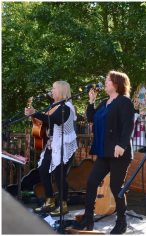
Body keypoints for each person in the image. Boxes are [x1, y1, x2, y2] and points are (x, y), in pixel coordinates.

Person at [73, 71, 134, 234]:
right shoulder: (104, 102)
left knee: (116, 187)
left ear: (117, 83)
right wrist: (91, 101)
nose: (105, 83)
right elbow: (92, 118)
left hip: (119, 152)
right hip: (104, 152)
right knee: (91, 182)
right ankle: (88, 219)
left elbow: (128, 125)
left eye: (108, 80)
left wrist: (122, 145)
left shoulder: (124, 102)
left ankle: (121, 222)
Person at [24, 81, 78, 216]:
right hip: (52, 144)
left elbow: (55, 120)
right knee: (43, 170)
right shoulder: (54, 105)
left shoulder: (67, 107)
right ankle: (50, 201)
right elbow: (47, 122)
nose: (51, 90)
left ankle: (63, 205)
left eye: (54, 88)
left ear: (61, 90)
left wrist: (35, 113)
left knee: (60, 176)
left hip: (63, 145)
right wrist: (34, 117)